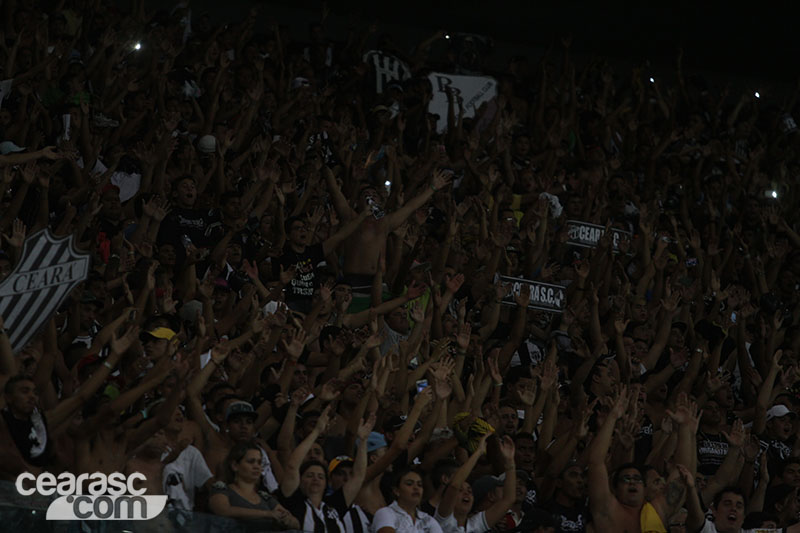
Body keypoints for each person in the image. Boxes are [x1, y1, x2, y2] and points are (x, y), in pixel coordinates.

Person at [209, 441, 299, 531]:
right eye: (251, 462)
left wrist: (288, 519)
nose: (256, 466)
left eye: (259, 462)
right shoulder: (222, 489)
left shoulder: (265, 498)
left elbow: (296, 524)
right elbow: (223, 510)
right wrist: (267, 514)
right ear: (235, 465)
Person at [373, 466, 443, 533]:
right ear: (396, 491)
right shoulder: (386, 513)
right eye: (409, 484)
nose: (416, 487)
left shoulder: (428, 520)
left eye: (420, 485)